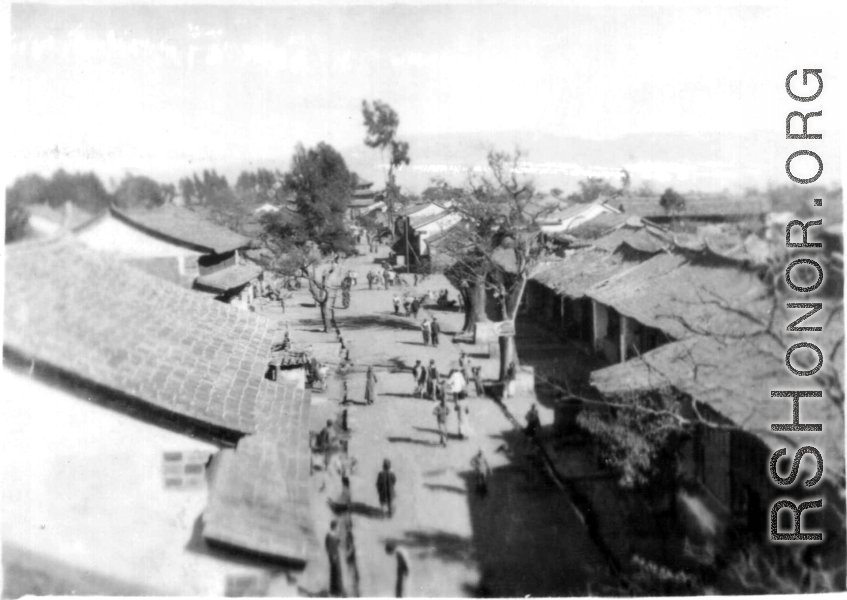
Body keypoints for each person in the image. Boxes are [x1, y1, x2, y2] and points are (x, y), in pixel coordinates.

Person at [325, 519, 343, 596]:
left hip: (335, 554)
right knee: (336, 572)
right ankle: (336, 590)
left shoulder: (333, 534)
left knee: (336, 572)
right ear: (334, 526)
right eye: (336, 526)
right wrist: (332, 556)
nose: (336, 528)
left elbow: (337, 543)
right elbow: (328, 546)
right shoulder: (330, 535)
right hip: (333, 555)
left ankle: (335, 590)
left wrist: (339, 539)